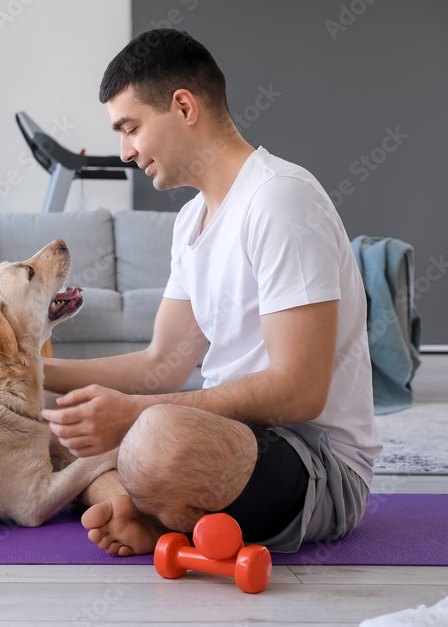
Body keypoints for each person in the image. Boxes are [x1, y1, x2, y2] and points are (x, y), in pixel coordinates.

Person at [41, 28, 380, 557]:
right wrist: (31, 374)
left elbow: (301, 390)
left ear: (183, 106)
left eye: (130, 128)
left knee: (155, 439)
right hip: (224, 437)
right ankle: (156, 516)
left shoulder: (279, 200)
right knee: (57, 432)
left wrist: (132, 415)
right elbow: (160, 364)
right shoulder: (190, 222)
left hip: (313, 463)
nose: (125, 152)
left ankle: (145, 504)